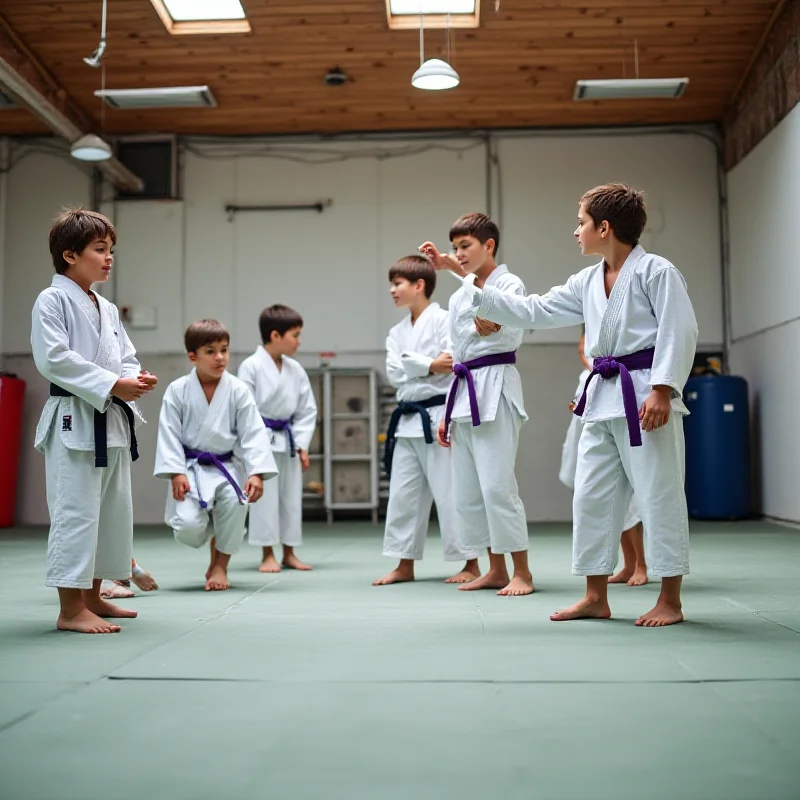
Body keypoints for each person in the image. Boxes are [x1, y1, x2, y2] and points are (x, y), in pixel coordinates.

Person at [435, 184, 697, 626]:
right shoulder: (586, 281)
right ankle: (595, 595)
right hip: (601, 400)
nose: (576, 231)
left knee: (658, 494)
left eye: (581, 222)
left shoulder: (657, 272)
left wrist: (663, 389)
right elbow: (536, 309)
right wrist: (473, 287)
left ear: (605, 227)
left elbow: (680, 331)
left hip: (642, 395)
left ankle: (670, 599)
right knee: (591, 496)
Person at [32, 208, 158, 634]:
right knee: (76, 513)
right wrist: (111, 384)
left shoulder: (105, 306)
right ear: (69, 254)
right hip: (75, 418)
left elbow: (125, 354)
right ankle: (70, 610)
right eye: (99, 250)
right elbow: (53, 359)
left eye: (111, 251)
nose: (109, 258)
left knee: (111, 513)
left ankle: (94, 597)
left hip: (111, 420)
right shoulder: (51, 300)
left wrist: (134, 378)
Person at [419, 212, 534, 596]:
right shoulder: (457, 295)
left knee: (498, 486)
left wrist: (495, 319)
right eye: (455, 248)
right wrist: (447, 412)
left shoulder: (509, 283)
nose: (459, 253)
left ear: (489, 245)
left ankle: (522, 571)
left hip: (496, 386)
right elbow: (456, 348)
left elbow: (511, 325)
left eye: (465, 246)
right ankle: (495, 568)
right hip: (464, 391)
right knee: (469, 492)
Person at [372, 255, 481, 586]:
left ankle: (470, 562)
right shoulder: (396, 332)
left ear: (419, 285)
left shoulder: (445, 320)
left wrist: (422, 367)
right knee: (403, 494)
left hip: (438, 417)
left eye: (398, 284)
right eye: (392, 284)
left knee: (450, 492)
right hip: (407, 420)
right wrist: (429, 365)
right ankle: (404, 564)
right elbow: (394, 373)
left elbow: (452, 363)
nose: (392, 290)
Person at [154, 320, 277, 591]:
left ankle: (220, 565)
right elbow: (168, 433)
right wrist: (175, 471)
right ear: (193, 356)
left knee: (237, 503)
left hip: (226, 466)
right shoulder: (177, 390)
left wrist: (257, 472)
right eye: (210, 351)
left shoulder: (238, 389)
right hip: (189, 467)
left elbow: (253, 432)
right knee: (187, 527)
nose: (220, 357)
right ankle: (214, 541)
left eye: (224, 349)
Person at [560, 335, 648, 587]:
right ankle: (628, 564)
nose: (583, 352)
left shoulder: (621, 371)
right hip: (593, 434)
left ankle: (641, 564)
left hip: (622, 429)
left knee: (630, 507)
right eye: (580, 348)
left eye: (585, 347)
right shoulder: (587, 377)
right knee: (607, 506)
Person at [239, 305, 317, 572]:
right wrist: (252, 447)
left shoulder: (295, 369)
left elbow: (308, 410)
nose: (299, 341)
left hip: (288, 439)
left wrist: (303, 444)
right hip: (261, 439)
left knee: (290, 498)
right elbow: (245, 409)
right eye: (294, 335)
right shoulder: (250, 366)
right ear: (275, 335)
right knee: (266, 499)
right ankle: (267, 553)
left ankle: (289, 552)